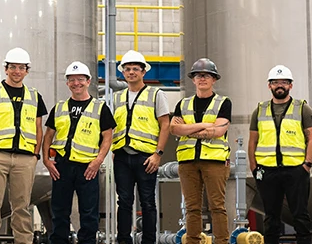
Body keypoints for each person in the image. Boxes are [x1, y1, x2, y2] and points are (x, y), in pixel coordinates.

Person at [0, 47, 48, 244]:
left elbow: (38, 127)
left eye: (21, 67)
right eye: (13, 67)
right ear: (6, 69)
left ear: (27, 71)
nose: (17, 71)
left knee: (22, 207)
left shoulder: (34, 95)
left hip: (25, 159)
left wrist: (34, 155)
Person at [41, 61, 115, 244]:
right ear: (67, 83)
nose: (76, 83)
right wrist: (46, 160)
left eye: (80, 79)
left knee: (89, 213)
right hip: (62, 166)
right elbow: (48, 135)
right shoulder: (59, 108)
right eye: (72, 80)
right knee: (59, 211)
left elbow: (108, 136)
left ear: (88, 81)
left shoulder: (100, 108)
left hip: (87, 167)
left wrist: (98, 161)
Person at [248, 65, 312, 244]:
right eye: (276, 82)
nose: (280, 85)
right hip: (267, 171)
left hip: (296, 171)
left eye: (284, 82)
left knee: (300, 216)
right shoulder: (260, 110)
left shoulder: (302, 108)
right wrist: (254, 167)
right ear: (269, 85)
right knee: (271, 217)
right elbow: (252, 141)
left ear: (290, 86)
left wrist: (307, 165)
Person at [170, 58, 232, 244]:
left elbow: (219, 131)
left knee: (217, 206)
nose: (202, 79)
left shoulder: (223, 103)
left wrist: (188, 129)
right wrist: (205, 126)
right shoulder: (183, 104)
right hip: (188, 161)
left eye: (206, 75)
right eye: (198, 75)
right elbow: (174, 129)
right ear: (193, 80)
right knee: (192, 208)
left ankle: (221, 241)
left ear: (214, 79)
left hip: (214, 161)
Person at [112, 50, 170, 244]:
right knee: (124, 202)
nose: (131, 72)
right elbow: (114, 127)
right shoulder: (117, 97)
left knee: (147, 202)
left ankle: (148, 241)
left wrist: (158, 154)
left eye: (135, 69)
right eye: (127, 69)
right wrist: (114, 151)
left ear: (143, 71)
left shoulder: (156, 95)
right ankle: (123, 241)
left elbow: (165, 124)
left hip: (146, 157)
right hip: (121, 157)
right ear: (123, 73)